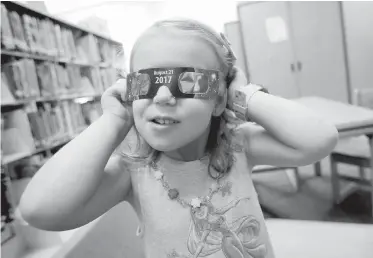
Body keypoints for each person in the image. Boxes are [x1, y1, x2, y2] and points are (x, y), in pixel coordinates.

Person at [19, 18, 338, 258]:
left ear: (219, 101)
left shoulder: (239, 147)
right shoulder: (133, 172)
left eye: (187, 82)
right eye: (144, 82)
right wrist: (113, 121)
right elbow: (39, 211)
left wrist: (243, 95)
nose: (162, 97)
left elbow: (319, 140)